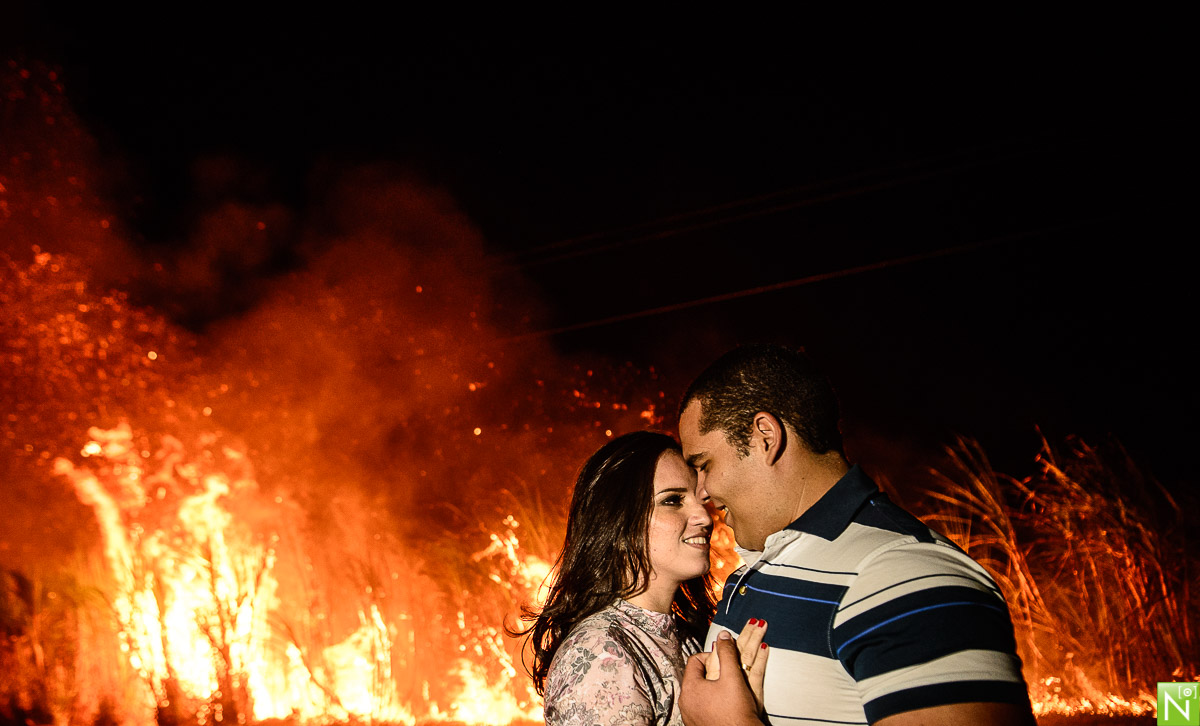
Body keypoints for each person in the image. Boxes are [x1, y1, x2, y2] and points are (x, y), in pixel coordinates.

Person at [676, 344, 1036, 726]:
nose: (700, 492)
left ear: (765, 437)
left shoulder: (909, 579)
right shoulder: (756, 569)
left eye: (704, 464)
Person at [513, 431, 769, 725]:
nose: (705, 517)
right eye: (673, 500)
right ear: (619, 520)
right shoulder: (601, 654)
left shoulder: (683, 636)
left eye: (701, 500)